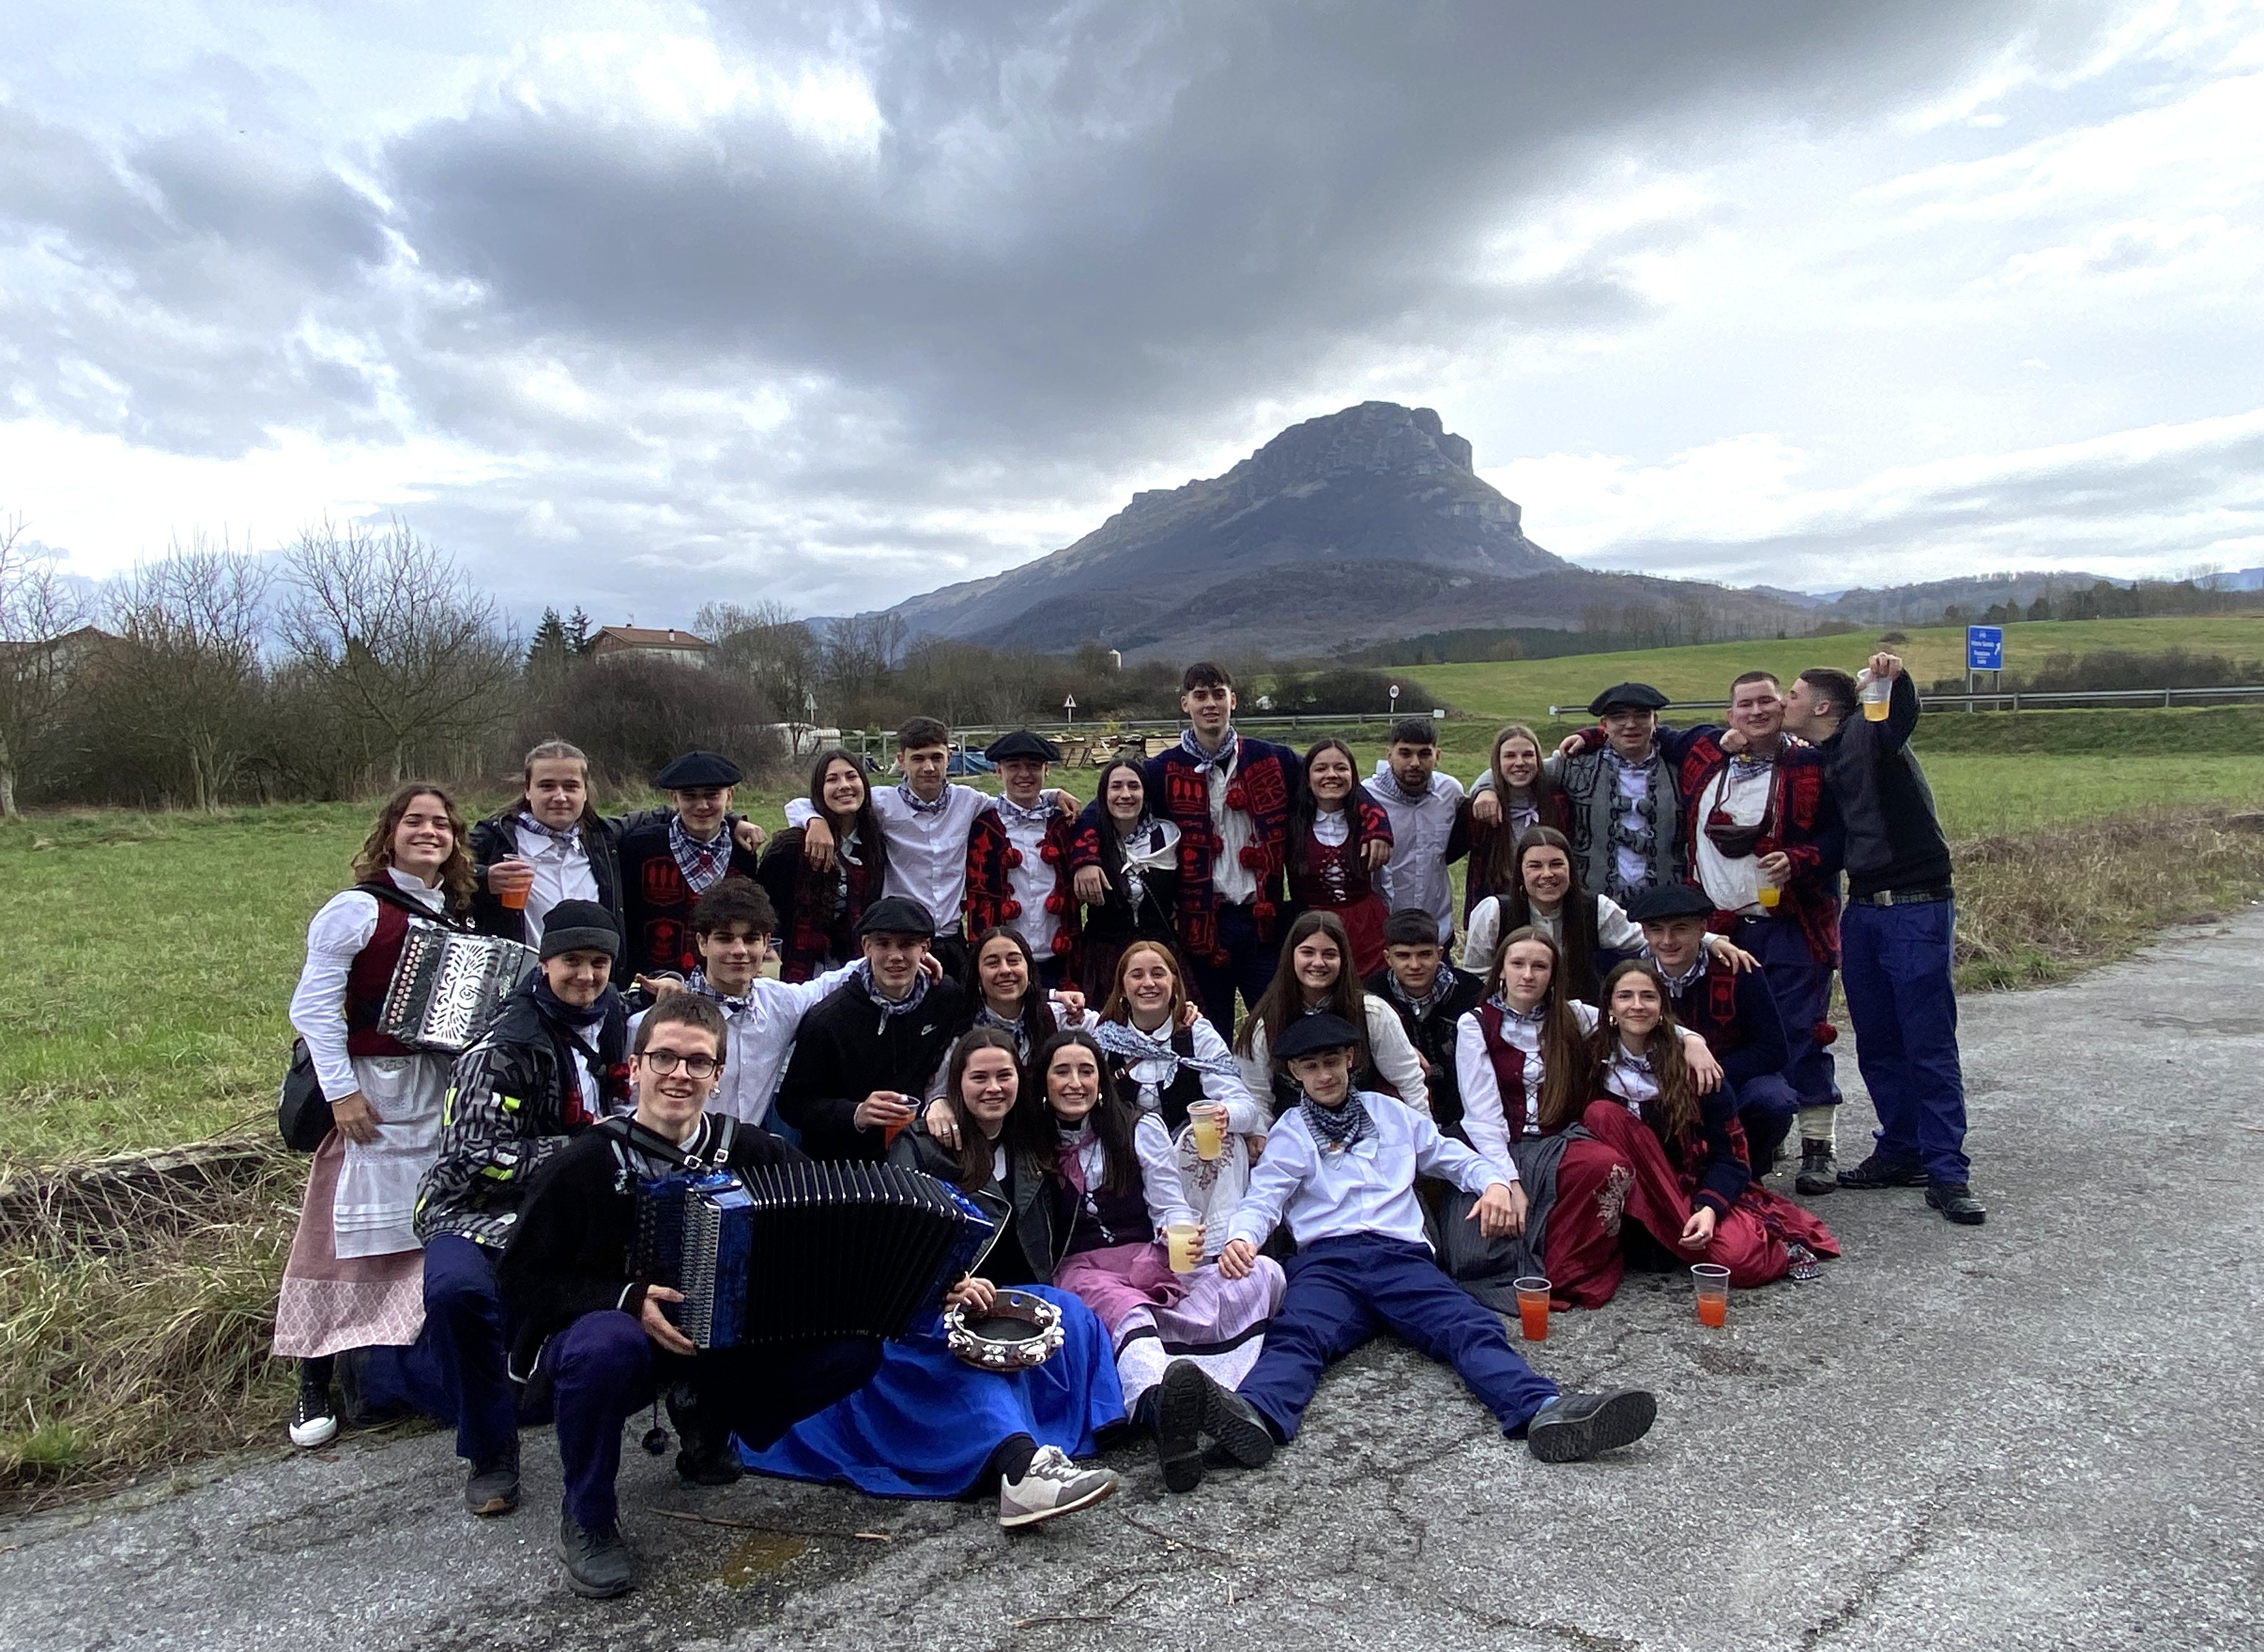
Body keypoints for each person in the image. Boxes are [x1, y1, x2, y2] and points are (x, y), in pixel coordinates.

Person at [494, 996, 883, 1597]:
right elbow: (519, 1278)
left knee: (855, 1348)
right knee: (603, 1346)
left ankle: (713, 1415)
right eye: (665, 1058)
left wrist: (932, 1275)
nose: (680, 1074)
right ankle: (589, 1514)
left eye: (698, 1062)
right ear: (635, 1066)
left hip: (728, 1343)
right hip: (621, 1341)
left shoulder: (752, 1151)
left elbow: (838, 1218)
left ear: (717, 1075)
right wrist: (625, 1297)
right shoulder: (585, 1163)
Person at [1189, 1014, 1658, 1468]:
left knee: (1467, 1325)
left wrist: (1494, 1183)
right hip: (1329, 1263)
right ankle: (1256, 1417)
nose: (1324, 1075)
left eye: (1331, 1062)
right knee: (1297, 1333)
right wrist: (1242, 1239)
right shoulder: (1290, 1131)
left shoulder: (1390, 1114)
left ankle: (1543, 1410)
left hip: (1400, 1259)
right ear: (1295, 1072)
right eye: (1311, 1067)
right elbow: (1264, 1198)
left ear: (1350, 1059)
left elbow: (1451, 1156)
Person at [745, 1029, 1126, 1529]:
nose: (994, 1088)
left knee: (1070, 1311)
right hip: (928, 1306)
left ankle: (1132, 1417)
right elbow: (893, 1245)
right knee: (966, 1354)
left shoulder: (1032, 1135)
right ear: (957, 1084)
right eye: (979, 1078)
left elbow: (1088, 1105)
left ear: (1022, 1081)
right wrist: (949, 1283)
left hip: (1010, 1296)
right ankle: (1020, 1470)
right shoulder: (921, 1145)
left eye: (1005, 1076)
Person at [1553, 674, 1845, 1194]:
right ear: (1730, 714)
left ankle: (1817, 1144)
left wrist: (1802, 859)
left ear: (1782, 707)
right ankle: (1722, 1142)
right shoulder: (1706, 751)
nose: (1756, 712)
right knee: (1674, 1017)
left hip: (1787, 920)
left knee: (1800, 1029)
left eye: (1767, 702)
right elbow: (1639, 731)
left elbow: (1840, 835)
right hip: (1714, 921)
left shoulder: (1808, 764)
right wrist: (1591, 735)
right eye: (1745, 705)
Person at [413, 900, 631, 1517]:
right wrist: (588, 1147)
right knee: (457, 1293)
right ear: (545, 963)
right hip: (473, 1212)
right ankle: (490, 1451)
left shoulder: (613, 1014)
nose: (586, 975)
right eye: (572, 961)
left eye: (599, 963)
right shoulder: (502, 1048)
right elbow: (470, 1158)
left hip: (568, 1206)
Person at [276, 783, 476, 1449]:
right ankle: (314, 1376)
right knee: (345, 1239)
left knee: (422, 1231)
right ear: (390, 831)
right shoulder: (356, 909)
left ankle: (400, 1375)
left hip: (437, 1087)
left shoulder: (454, 914)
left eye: (441, 823)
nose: (429, 832)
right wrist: (341, 1092)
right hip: (373, 1087)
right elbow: (313, 1007)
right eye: (414, 821)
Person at [1034, 1029, 1287, 1493]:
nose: (1075, 1083)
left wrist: (1173, 1232)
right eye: (1062, 1072)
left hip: (1145, 1260)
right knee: (1125, 1309)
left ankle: (1195, 1394)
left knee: (1262, 1273)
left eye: (1086, 1071)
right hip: (1083, 1270)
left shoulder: (1137, 1128)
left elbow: (1171, 1206)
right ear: (1043, 1082)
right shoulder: (1030, 1140)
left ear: (1102, 1080)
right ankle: (1163, 1407)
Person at [1781, 655, 1984, 1224]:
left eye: (1793, 694)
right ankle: (1901, 1150)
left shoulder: (1869, 732)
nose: (1785, 702)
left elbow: (1901, 717)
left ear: (1823, 705)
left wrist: (1895, 678)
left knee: (1928, 1043)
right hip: (1864, 909)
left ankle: (1948, 1173)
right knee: (1877, 1040)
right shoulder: (1820, 757)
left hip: (1916, 905)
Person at [1443, 928, 1724, 1309]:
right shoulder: (1475, 1024)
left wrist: (1693, 1040)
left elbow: (1633, 1017)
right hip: (1495, 1145)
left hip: (1556, 1142)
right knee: (1475, 1254)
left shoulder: (1572, 1014)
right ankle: (1521, 1268)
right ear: (1502, 970)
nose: (1528, 975)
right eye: (1518, 964)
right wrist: (1508, 1181)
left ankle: (1569, 1268)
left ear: (1553, 975)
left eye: (1540, 966)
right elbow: (1483, 1117)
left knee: (1606, 1165)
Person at [1541, 961, 1839, 1308]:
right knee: (1603, 1115)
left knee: (1740, 1261)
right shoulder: (1591, 1064)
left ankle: (1684, 1235)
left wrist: (1710, 1208)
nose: (1637, 1006)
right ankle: (1658, 1236)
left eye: (1648, 997)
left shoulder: (1697, 1067)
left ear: (1663, 1008)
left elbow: (1733, 1159)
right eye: (1625, 997)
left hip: (1690, 1189)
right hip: (1623, 1193)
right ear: (1609, 1008)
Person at [1084, 662, 1300, 1037]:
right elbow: (1101, 808)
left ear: (1233, 700)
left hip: (1262, 922)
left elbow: (1333, 781)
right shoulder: (1163, 770)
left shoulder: (1273, 759)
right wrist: (1085, 860)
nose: (1210, 704)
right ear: (1186, 704)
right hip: (1203, 925)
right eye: (1200, 696)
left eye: (1218, 694)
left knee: (1277, 1028)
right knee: (1208, 1031)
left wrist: (1374, 822)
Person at [784, 717, 1070, 981]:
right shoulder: (882, 803)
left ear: (950, 757)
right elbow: (806, 803)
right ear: (901, 761)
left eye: (936, 757)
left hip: (951, 940)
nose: (929, 768)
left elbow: (1013, 803)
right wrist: (815, 821)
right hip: (903, 937)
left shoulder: (968, 801)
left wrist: (1053, 794)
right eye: (918, 759)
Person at [629, 877, 864, 1140]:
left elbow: (833, 983)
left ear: (766, 943)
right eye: (725, 939)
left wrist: (887, 955)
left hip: (747, 1154)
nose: (739, 950)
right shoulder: (658, 1021)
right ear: (703, 943)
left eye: (751, 939)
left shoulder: (780, 1003)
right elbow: (628, 1106)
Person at [1085, 939, 1269, 1265]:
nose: (1148, 983)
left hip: (1187, 1153)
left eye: (1158, 974)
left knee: (1222, 1143)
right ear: (1123, 988)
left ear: (1174, 984)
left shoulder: (1197, 1035)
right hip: (1127, 1149)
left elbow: (1245, 1106)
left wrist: (1224, 1114)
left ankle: (1219, 1250)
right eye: (1137, 976)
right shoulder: (1104, 1039)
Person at [773, 896, 971, 1161]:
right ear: (866, 947)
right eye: (883, 944)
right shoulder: (829, 1018)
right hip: (844, 1164)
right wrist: (856, 1113)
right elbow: (792, 1104)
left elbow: (957, 1050)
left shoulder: (945, 998)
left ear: (925, 948)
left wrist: (941, 1097)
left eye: (907, 945)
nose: (895, 956)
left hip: (922, 1153)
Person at [1626, 883, 1801, 1179]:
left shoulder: (1740, 970)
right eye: (1656, 930)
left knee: (1773, 1100)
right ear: (1644, 933)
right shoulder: (1630, 977)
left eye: (1680, 929)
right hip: (1655, 1083)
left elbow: (1772, 1050)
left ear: (1702, 930)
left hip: (1729, 1080)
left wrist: (1711, 1075)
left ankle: (1749, 1172)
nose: (1667, 941)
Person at [1466, 827, 1755, 1003]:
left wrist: (1710, 940)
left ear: (1571, 869)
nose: (1547, 874)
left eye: (1557, 864)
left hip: (1578, 1017)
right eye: (1535, 866)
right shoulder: (1494, 912)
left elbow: (1644, 938)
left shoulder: (1595, 909)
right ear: (1520, 873)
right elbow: (1476, 974)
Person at [1471, 683, 1682, 905]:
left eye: (1641, 716)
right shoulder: (1576, 767)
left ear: (1655, 720)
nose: (1630, 724)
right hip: (1592, 904)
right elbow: (1522, 770)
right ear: (1605, 725)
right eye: (1619, 717)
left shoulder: (1680, 772)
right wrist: (1487, 789)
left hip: (1665, 905)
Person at [1233, 910, 1431, 1116]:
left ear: (1343, 959)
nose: (1319, 963)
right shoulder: (1267, 1023)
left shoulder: (1373, 1014)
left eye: (1329, 954)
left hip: (1368, 1128)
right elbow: (1256, 1098)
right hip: (1293, 1132)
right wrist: (1263, 1134)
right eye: (1308, 953)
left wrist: (1425, 1129)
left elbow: (1409, 1082)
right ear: (1291, 956)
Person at [612, 750, 765, 983]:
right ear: (674, 798)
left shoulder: (743, 852)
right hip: (655, 982)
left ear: (730, 796)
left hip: (721, 982)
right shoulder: (639, 847)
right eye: (689, 796)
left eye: (712, 795)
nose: (702, 805)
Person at [756, 747, 891, 983]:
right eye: (832, 779)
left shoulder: (875, 843)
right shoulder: (791, 847)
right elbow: (762, 904)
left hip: (856, 966)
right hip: (796, 968)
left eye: (851, 776)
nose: (844, 786)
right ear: (819, 790)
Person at [965, 730, 1081, 985]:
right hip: (1001, 962)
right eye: (1014, 766)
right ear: (998, 771)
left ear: (1046, 770)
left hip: (1059, 957)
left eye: (1034, 766)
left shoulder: (1065, 823)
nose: (1024, 774)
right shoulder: (980, 825)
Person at [1364, 908, 1488, 1142]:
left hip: (1463, 1108)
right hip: (1398, 1111)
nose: (1415, 965)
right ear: (1388, 958)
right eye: (1403, 956)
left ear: (1440, 954)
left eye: (1424, 954)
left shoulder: (1471, 992)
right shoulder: (1372, 996)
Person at [1068, 757, 1182, 1000]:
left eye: (1134, 786)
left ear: (1145, 793)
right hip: (1104, 956)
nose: (1126, 794)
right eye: (1116, 786)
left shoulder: (1168, 837)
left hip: (1160, 952)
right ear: (1104, 795)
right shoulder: (1090, 844)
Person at [1286, 737, 1394, 978]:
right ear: (1307, 779)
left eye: (1341, 768)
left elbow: (1384, 880)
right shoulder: (1293, 825)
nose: (1332, 775)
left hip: (1367, 925)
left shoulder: (1369, 824)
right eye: (1321, 769)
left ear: (1353, 776)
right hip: (1314, 927)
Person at [1363, 716, 1464, 950]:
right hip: (1382, 930)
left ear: (1438, 756)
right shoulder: (1367, 797)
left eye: (1425, 754)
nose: (1415, 763)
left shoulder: (1451, 793)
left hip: (1437, 929)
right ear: (1389, 755)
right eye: (1405, 754)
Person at [1447, 724, 1565, 922]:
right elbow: (1448, 854)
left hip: (1551, 909)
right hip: (1498, 911)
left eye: (1528, 755)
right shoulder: (1481, 810)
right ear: (1497, 762)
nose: (1520, 763)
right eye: (1510, 756)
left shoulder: (1558, 804)